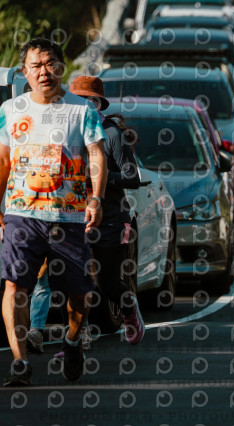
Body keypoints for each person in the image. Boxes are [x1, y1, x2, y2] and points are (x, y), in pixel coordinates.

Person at [0, 38, 107, 385]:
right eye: (36, 66)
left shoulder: (82, 110)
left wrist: (96, 199)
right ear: (24, 71)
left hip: (69, 216)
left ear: (61, 67)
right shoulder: (11, 110)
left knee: (80, 294)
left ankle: (72, 341)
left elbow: (96, 155)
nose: (44, 72)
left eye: (50, 64)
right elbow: (3, 160)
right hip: (22, 214)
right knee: (14, 286)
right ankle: (20, 362)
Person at [25, 76, 146, 356]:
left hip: (109, 217)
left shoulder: (112, 134)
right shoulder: (65, 132)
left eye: (90, 101)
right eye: (77, 101)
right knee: (68, 279)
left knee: (107, 284)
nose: (83, 107)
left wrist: (98, 178)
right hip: (70, 216)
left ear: (99, 104)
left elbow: (133, 178)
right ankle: (74, 341)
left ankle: (128, 308)